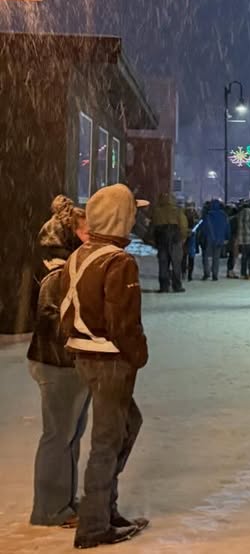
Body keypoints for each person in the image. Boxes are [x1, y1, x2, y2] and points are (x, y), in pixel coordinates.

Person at [59, 184, 150, 549]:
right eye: (132, 212)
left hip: (84, 354)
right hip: (110, 358)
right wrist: (137, 355)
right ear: (120, 218)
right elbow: (123, 322)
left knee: (126, 424)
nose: (135, 218)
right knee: (108, 439)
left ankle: (104, 509)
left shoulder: (80, 255)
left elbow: (64, 308)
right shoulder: (117, 260)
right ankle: (96, 524)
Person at [27, 203, 89, 528]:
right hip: (58, 363)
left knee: (68, 434)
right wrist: (81, 335)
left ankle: (63, 501)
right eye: (83, 229)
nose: (88, 234)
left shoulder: (66, 262)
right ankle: (50, 509)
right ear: (68, 231)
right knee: (58, 435)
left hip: (60, 361)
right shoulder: (57, 267)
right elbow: (50, 317)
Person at [150, 193, 185, 293]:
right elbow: (183, 225)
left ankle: (164, 286)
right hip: (175, 237)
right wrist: (182, 237)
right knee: (176, 263)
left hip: (161, 238)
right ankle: (177, 285)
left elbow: (152, 227)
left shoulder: (157, 211)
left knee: (163, 263)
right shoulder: (177, 211)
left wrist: (153, 240)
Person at [201, 199, 229, 281]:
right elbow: (227, 228)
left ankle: (206, 273)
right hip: (220, 239)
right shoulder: (224, 215)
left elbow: (204, 228)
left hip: (209, 239)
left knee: (206, 257)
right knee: (216, 257)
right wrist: (227, 237)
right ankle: (215, 274)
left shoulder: (208, 216)